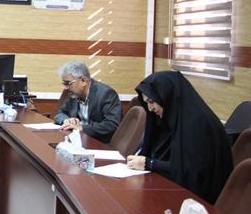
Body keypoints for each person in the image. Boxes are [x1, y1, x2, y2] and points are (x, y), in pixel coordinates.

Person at [126, 71, 233, 204]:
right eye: (146, 102)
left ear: (167, 96)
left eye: (152, 101)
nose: (150, 108)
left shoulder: (199, 124)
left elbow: (192, 172)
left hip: (199, 204)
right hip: (171, 191)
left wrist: (151, 164)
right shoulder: (170, 119)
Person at [54, 61, 122, 144]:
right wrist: (66, 120)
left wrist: (82, 128)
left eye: (68, 83)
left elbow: (111, 124)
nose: (66, 88)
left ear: (83, 81)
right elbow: (60, 112)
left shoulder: (106, 94)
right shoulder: (74, 94)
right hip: (77, 140)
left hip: (98, 142)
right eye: (64, 84)